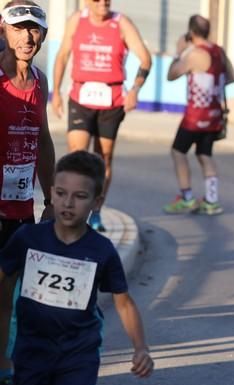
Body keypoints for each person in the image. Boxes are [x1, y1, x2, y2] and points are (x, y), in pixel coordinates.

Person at [0, 150, 154, 385]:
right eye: (60, 193)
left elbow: (123, 303)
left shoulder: (101, 250)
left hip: (78, 351)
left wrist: (141, 348)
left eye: (79, 196)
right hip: (32, 352)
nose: (68, 203)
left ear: (97, 202)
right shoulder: (28, 238)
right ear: (51, 194)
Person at [51, 0, 152, 231]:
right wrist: (55, 92)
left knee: (103, 157)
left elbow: (145, 58)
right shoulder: (77, 20)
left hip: (112, 100)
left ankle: (95, 211)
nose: (104, 2)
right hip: (81, 97)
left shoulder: (121, 23)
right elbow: (63, 55)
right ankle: (69, 210)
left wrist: (135, 90)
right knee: (77, 156)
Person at [0, 0, 56, 385]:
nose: (27, 36)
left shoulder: (40, 80)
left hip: (22, 206)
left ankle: (6, 375)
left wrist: (51, 196)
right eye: (19, 28)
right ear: (4, 31)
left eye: (35, 29)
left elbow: (45, 140)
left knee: (10, 295)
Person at [162, 14, 234, 216]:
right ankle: (212, 201)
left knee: (178, 152)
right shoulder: (219, 51)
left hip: (195, 116)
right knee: (205, 155)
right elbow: (231, 77)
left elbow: (171, 75)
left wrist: (179, 53)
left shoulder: (194, 54)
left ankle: (187, 198)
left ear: (191, 32)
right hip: (214, 115)